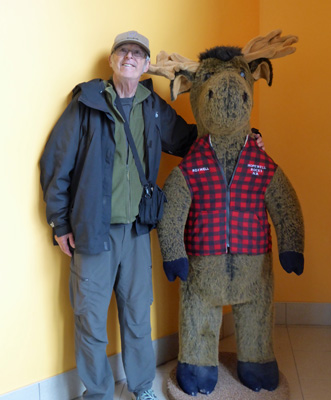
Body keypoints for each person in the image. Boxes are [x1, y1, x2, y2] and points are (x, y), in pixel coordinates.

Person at [40, 31, 264, 400]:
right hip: (92, 232)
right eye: (123, 51)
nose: (130, 57)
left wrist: (244, 137)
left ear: (145, 65)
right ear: (112, 60)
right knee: (90, 318)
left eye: (138, 53)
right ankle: (98, 393)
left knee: (137, 316)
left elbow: (191, 140)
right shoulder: (87, 102)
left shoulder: (152, 105)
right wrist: (60, 223)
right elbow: (55, 164)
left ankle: (143, 386)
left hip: (138, 232)